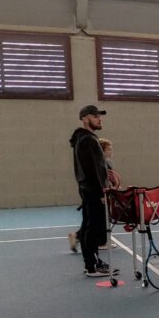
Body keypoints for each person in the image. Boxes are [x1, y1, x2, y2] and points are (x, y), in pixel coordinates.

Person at [70, 105, 117, 277]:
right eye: (95, 116)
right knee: (92, 228)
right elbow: (92, 169)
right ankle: (92, 266)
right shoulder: (87, 140)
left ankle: (93, 262)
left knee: (89, 227)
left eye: (99, 116)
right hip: (92, 191)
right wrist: (100, 192)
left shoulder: (86, 139)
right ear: (85, 118)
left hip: (89, 190)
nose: (99, 119)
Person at [68, 138, 119, 252]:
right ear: (102, 151)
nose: (111, 152)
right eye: (109, 149)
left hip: (90, 192)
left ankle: (78, 236)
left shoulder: (100, 163)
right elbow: (102, 181)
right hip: (97, 194)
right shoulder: (101, 165)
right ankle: (100, 242)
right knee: (100, 217)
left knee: (92, 218)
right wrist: (104, 193)